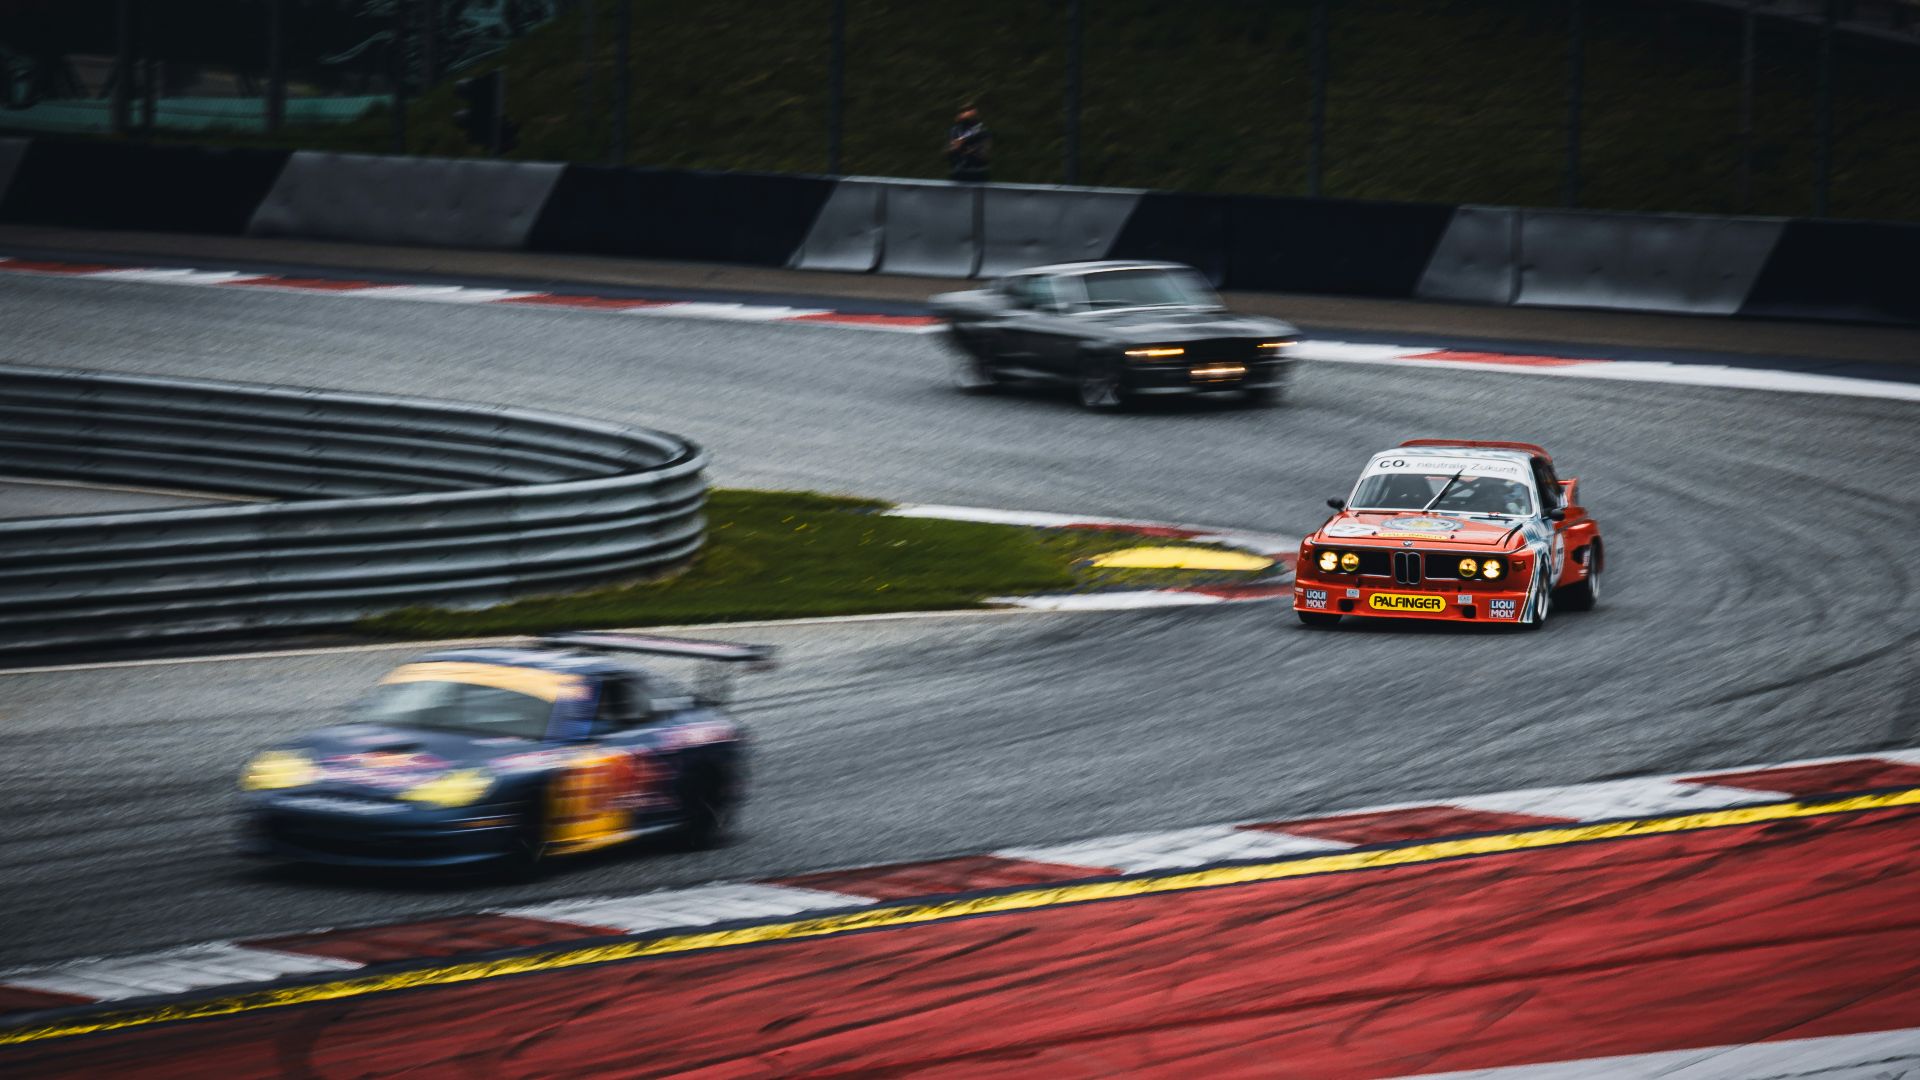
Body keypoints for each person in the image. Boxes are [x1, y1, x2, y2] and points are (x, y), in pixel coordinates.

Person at [946, 104, 991, 183]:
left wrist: (973, 150)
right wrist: (955, 148)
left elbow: (984, 154)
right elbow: (950, 151)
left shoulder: (982, 131)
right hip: (959, 172)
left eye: (970, 111)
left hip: (978, 172)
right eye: (964, 111)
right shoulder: (955, 130)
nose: (967, 113)